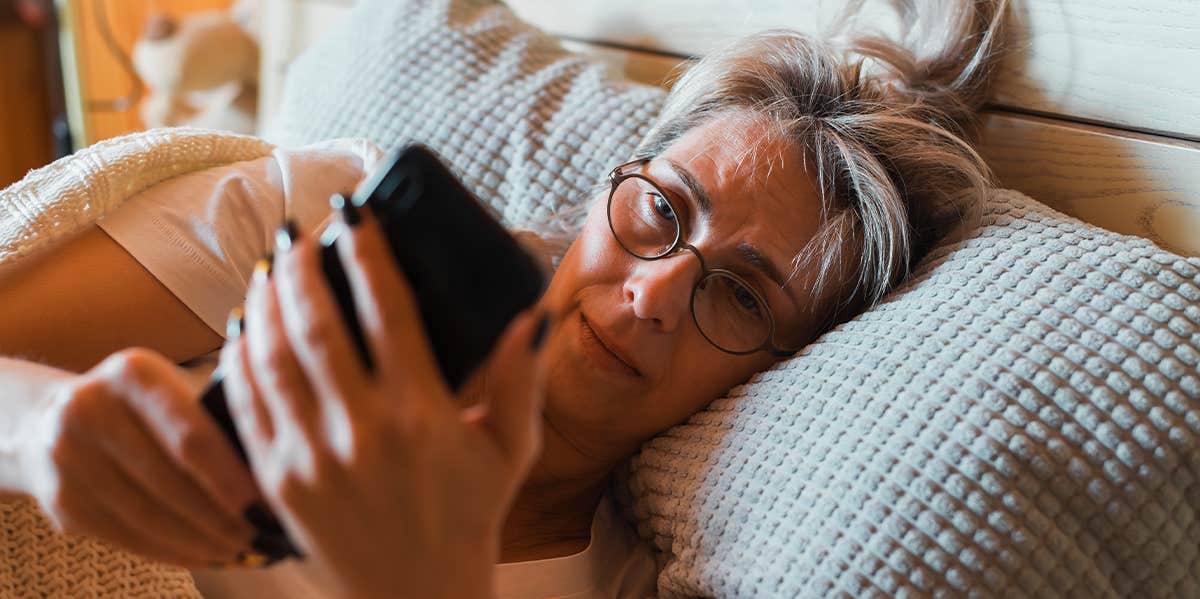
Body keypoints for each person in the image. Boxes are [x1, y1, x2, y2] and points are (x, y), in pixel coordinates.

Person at [0, 0, 1008, 596]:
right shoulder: (336, 224)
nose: (655, 289)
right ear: (608, 184)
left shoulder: (623, 581)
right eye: (659, 207)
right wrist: (38, 428)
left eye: (740, 296)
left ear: (783, 369)